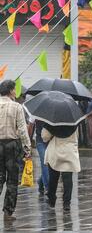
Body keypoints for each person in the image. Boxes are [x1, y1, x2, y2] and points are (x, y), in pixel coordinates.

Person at [0, 79, 31, 221]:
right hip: (12, 145)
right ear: (11, 91)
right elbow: (22, 130)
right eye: (14, 89)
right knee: (12, 180)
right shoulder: (17, 107)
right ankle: (8, 212)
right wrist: (27, 148)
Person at [42, 125, 80, 211]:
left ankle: (52, 200)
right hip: (69, 152)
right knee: (68, 178)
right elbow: (77, 136)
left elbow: (45, 137)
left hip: (55, 151)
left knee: (53, 177)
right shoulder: (73, 122)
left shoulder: (51, 122)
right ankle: (66, 203)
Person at [28, 119, 48, 195]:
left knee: (51, 164)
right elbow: (30, 126)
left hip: (51, 140)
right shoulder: (36, 112)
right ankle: (48, 187)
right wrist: (28, 142)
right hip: (40, 140)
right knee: (44, 162)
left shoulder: (54, 109)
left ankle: (40, 181)